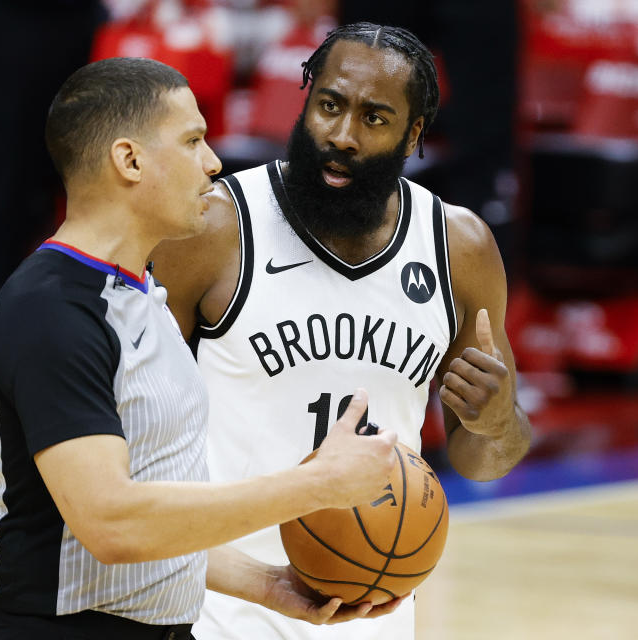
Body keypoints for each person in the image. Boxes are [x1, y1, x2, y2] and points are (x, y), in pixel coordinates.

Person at [0, 57, 406, 639]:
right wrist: (316, 486)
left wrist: (268, 585)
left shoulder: (143, 295)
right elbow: (112, 524)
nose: (213, 162)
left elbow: (156, 520)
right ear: (129, 160)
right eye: (193, 140)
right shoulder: (51, 309)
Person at [150, 22, 533, 639]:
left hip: (376, 613)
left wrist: (495, 423)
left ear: (413, 136)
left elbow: (488, 457)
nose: (343, 136)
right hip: (216, 614)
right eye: (330, 105)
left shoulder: (458, 248)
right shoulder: (215, 228)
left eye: (375, 118)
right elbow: (137, 439)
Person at [0, 0, 106, 454]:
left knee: (85, 189)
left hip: (72, 20)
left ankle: (78, 371)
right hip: (1, 23)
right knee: (2, 196)